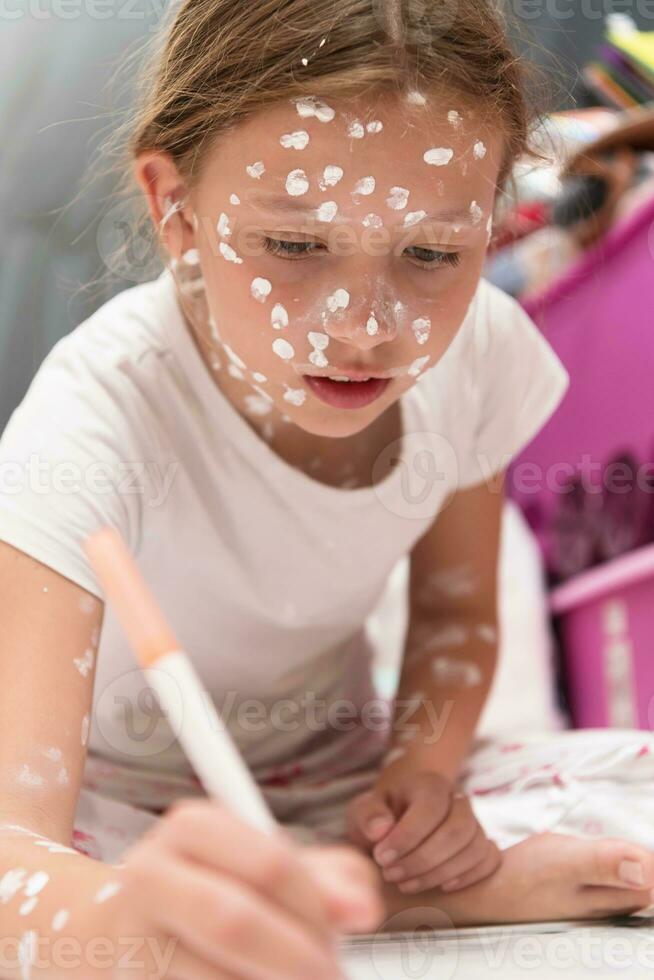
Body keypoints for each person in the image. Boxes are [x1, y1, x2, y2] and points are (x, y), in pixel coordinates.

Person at [2, 0, 654, 975]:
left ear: (492, 217)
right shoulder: (95, 417)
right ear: (172, 205)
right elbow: (18, 830)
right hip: (118, 800)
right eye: (296, 247)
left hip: (331, 769)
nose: (365, 328)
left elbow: (454, 612)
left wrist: (420, 782)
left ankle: (362, 879)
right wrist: (140, 930)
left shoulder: (470, 354)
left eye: (432, 253)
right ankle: (334, 899)